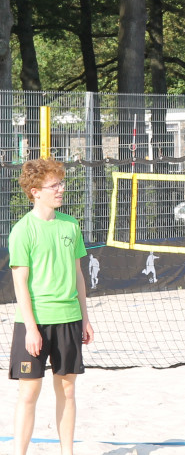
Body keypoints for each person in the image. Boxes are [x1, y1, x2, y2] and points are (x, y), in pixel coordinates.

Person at [9, 158, 94, 455]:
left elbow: (78, 275)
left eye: (61, 183)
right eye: (54, 185)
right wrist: (31, 328)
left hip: (68, 318)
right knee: (29, 392)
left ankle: (66, 452)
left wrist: (85, 319)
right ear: (35, 191)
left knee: (68, 390)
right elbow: (20, 284)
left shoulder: (70, 226)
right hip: (33, 322)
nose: (61, 189)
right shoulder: (22, 230)